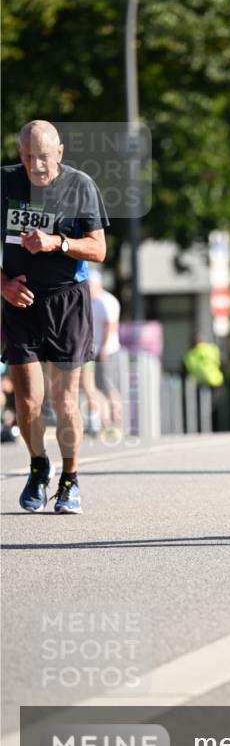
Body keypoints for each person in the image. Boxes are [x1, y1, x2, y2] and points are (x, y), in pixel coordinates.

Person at [1, 120, 108, 513]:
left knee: (65, 400)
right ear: (20, 154)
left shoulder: (80, 186)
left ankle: (70, 480)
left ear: (59, 153)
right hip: (20, 301)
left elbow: (99, 250)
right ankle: (38, 465)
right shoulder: (6, 184)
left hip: (67, 302)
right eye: (28, 157)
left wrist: (56, 242)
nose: (37, 165)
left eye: (43, 157)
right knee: (28, 403)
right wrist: (3, 286)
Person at [86, 267, 123, 436]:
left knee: (109, 387)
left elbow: (111, 327)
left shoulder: (107, 301)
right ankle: (105, 422)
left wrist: (105, 348)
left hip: (107, 351)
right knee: (96, 387)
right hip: (94, 351)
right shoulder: (91, 302)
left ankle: (116, 423)